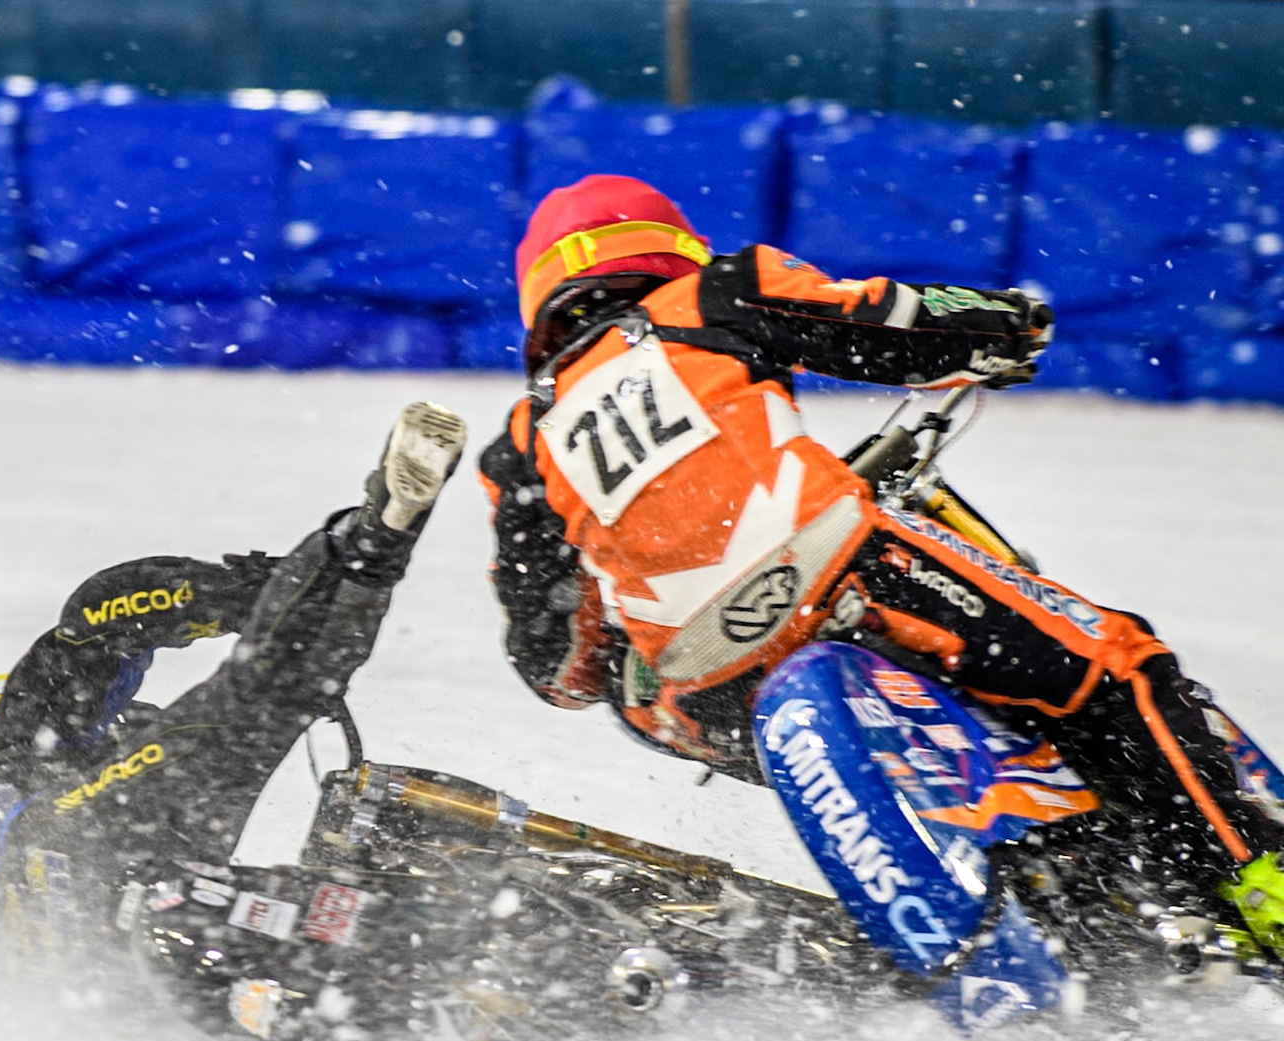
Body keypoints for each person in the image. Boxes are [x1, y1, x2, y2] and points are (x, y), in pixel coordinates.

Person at [479, 173, 1284, 955]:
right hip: (841, 574)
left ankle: (1036, 886)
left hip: (707, 688)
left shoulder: (520, 442)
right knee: (1113, 666)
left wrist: (630, 659)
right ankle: (1254, 873)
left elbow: (557, 667)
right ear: (667, 250)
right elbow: (895, 325)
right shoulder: (711, 294)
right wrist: (1006, 323)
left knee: (681, 704)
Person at [0, 402, 469, 1038]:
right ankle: (377, 534)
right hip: (88, 840)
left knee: (280, 700)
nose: (122, 723)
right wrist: (246, 594)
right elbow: (99, 610)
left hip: (142, 957)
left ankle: (365, 992)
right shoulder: (3, 768)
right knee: (262, 693)